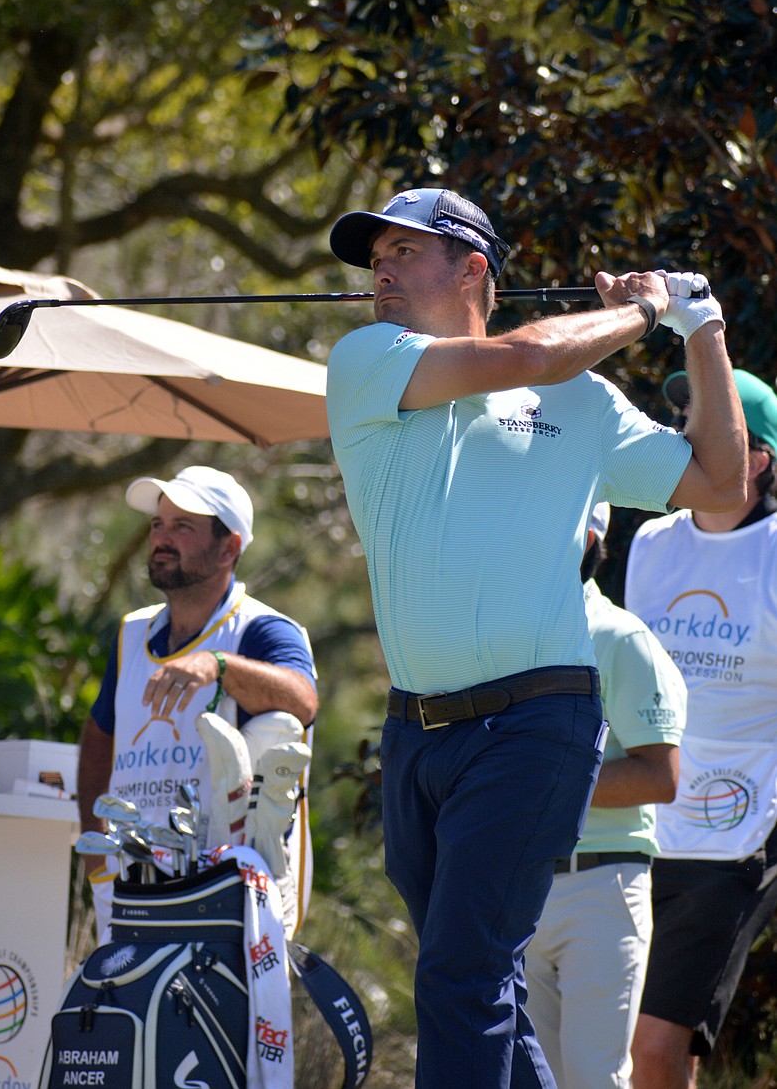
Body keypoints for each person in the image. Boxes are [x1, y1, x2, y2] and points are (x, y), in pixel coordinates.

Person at [324, 185, 746, 1089]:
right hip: (416, 733)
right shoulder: (368, 360)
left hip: (537, 722)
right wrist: (638, 309)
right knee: (481, 980)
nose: (381, 271)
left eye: (404, 252)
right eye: (375, 259)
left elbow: (720, 484)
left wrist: (699, 325)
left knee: (460, 970)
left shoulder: (584, 405)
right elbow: (517, 353)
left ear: (473, 266)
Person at [77, 465, 318, 943]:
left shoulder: (263, 630)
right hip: (132, 888)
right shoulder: (131, 634)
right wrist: (97, 865)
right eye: (158, 525)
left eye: (182, 527)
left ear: (229, 547)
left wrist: (219, 666)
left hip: (230, 892)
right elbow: (98, 737)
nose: (162, 538)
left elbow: (303, 700)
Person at [625, 368, 777, 1089]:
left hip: (738, 832)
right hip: (639, 824)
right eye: (683, 421)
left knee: (654, 1048)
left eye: (707, 427)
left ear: (757, 459)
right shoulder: (650, 542)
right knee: (630, 1045)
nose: (686, 438)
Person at [524, 501, 687, 1089]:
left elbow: (659, 777)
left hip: (602, 886)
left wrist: (539, 782)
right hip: (521, 884)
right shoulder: (508, 636)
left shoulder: (623, 639)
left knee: (595, 1079)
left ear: (594, 538)